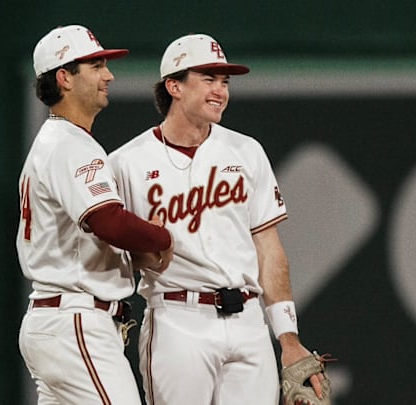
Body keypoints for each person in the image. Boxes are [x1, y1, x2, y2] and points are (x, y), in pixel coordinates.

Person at [108, 33, 326, 404]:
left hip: (248, 321)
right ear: (174, 86)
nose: (220, 91)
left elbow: (269, 249)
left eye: (224, 82)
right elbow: (112, 254)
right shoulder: (126, 163)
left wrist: (288, 339)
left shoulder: (246, 151)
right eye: (208, 78)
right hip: (178, 319)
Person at [17, 24, 173, 405]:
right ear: (64, 78)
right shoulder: (69, 144)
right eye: (97, 66)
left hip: (57, 319)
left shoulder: (54, 141)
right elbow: (108, 222)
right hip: (75, 321)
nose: (109, 75)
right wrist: (162, 237)